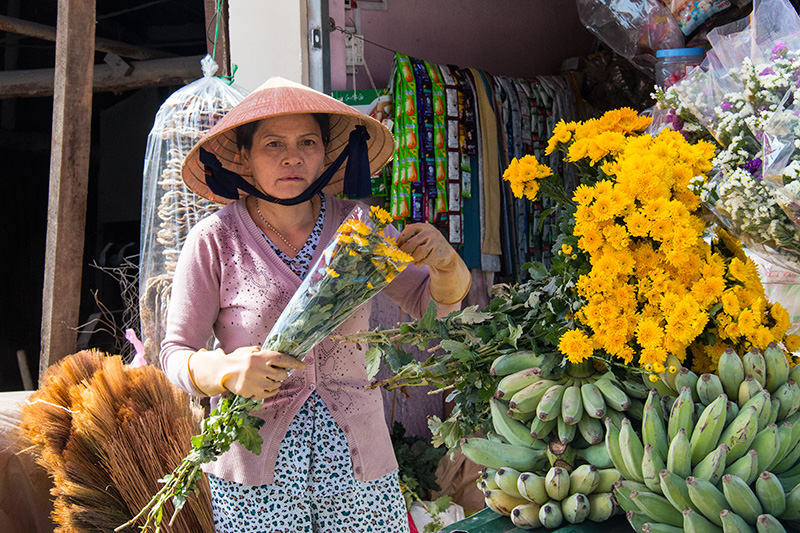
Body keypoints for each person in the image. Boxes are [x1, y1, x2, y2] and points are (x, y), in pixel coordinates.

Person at [161, 77, 471, 533]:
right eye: (273, 144)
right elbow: (175, 354)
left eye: (307, 141)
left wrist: (446, 263)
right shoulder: (216, 240)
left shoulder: (358, 227)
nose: (292, 156)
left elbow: (432, 303)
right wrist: (225, 370)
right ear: (244, 157)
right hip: (255, 473)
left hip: (358, 468)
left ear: (327, 152)